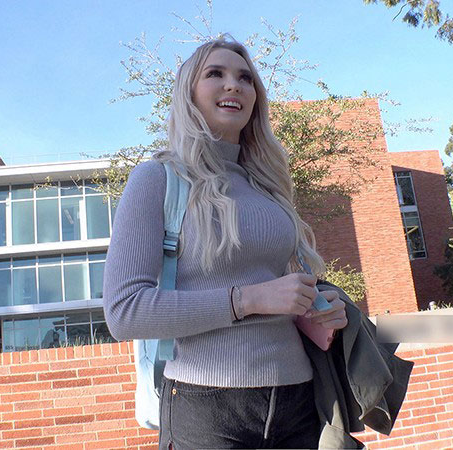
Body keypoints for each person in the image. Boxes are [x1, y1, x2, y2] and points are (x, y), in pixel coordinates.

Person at [103, 35, 348, 449]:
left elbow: (281, 289)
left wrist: (321, 306)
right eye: (215, 74)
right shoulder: (157, 179)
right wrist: (247, 299)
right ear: (189, 93)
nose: (233, 84)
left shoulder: (269, 187)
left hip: (299, 401)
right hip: (206, 408)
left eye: (245, 78)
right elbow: (124, 311)